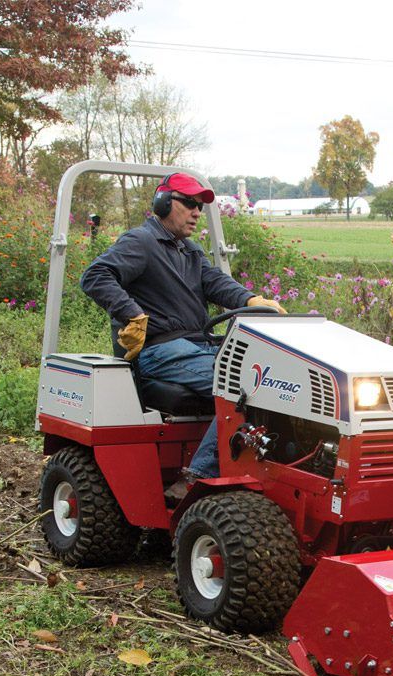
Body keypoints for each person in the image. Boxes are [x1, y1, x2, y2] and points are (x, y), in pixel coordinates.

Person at [80, 173, 282, 489]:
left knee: (277, 380)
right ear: (162, 203)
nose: (196, 212)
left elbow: (216, 283)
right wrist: (132, 314)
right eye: (188, 203)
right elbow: (95, 276)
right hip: (160, 350)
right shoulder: (141, 242)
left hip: (196, 347)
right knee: (245, 386)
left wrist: (251, 299)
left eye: (199, 206)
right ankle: (196, 480)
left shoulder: (189, 251)